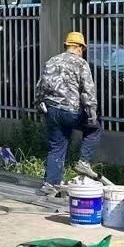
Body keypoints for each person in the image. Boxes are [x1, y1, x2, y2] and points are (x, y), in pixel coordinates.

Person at [35, 30, 100, 194]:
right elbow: (88, 91)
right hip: (71, 111)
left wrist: (40, 107)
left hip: (51, 111)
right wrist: (91, 113)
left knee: (56, 147)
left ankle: (51, 184)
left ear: (67, 45)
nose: (82, 52)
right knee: (95, 129)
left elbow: (40, 87)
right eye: (82, 49)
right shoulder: (81, 64)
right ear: (78, 47)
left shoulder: (51, 61)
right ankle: (83, 161)